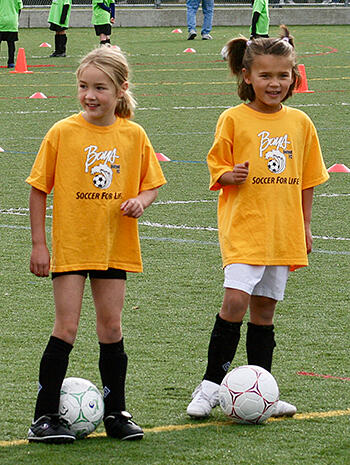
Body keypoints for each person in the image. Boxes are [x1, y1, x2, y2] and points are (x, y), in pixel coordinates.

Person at [187, 26, 329, 419]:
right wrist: (228, 175)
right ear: (247, 76)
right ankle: (210, 386)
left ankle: (263, 389)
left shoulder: (301, 123)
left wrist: (305, 227)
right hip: (245, 227)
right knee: (235, 302)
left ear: (294, 76)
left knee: (264, 311)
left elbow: (307, 181)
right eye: (266, 75)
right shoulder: (233, 119)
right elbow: (217, 167)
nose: (275, 83)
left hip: (283, 231)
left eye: (283, 75)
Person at [26, 47, 166, 443]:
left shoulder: (133, 134)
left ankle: (117, 413)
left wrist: (141, 200)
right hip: (72, 246)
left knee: (111, 327)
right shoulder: (62, 132)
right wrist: (40, 245)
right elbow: (38, 190)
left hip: (113, 246)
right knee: (66, 327)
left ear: (121, 89)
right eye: (84, 86)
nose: (90, 95)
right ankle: (44, 418)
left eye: (100, 87)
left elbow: (151, 182)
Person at [0, 0, 22, 68]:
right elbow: (20, 8)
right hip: (12, 22)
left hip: (1, 20)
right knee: (11, 43)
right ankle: (11, 62)